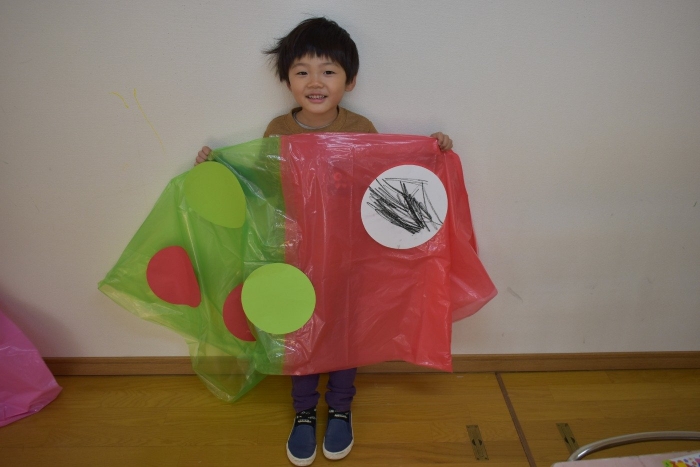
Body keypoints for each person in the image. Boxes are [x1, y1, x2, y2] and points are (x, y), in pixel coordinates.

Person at [195, 17, 452, 466]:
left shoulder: (360, 127)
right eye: (302, 71)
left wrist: (428, 151)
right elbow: (262, 182)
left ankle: (340, 406)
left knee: (344, 328)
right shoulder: (279, 129)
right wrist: (220, 167)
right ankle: (303, 411)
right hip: (295, 253)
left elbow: (386, 181)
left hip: (351, 254)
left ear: (349, 81)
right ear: (287, 80)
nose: (315, 82)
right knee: (298, 325)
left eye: (328, 71)